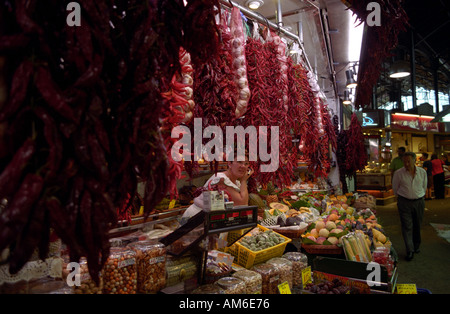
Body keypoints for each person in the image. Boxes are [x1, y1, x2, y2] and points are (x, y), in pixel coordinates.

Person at [181, 157, 254, 223]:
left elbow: (241, 206)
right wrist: (244, 180)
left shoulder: (236, 183)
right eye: (239, 162)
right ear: (229, 164)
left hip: (207, 220)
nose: (243, 166)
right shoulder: (220, 179)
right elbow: (242, 203)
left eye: (246, 163)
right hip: (195, 219)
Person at [392, 152, 427, 261]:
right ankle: (409, 250)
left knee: (417, 224)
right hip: (404, 202)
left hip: (419, 201)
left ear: (414, 160)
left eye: (408, 161)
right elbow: (395, 188)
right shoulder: (398, 173)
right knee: (407, 226)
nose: (406, 164)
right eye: (404, 162)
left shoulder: (422, 172)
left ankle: (416, 245)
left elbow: (424, 186)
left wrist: (418, 195)